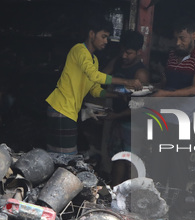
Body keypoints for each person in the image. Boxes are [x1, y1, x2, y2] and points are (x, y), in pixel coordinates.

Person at [45, 16, 143, 155]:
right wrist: (126, 82)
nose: (105, 41)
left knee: (61, 155)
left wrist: (117, 95)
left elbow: (95, 90)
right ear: (91, 34)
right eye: (103, 36)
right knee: (65, 157)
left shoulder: (94, 60)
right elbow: (94, 76)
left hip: (69, 111)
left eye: (107, 38)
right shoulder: (79, 50)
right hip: (61, 108)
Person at [150, 17, 195, 189]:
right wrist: (153, 89)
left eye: (182, 38)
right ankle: (158, 205)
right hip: (162, 118)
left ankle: (176, 210)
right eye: (175, 38)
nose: (177, 42)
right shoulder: (172, 54)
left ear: (194, 35)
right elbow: (166, 83)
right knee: (158, 163)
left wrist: (165, 94)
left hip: (183, 120)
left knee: (178, 166)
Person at [102, 30, 149, 186]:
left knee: (130, 162)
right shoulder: (117, 61)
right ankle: (115, 194)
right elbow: (100, 77)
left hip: (134, 123)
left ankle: (129, 198)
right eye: (122, 51)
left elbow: (140, 107)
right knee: (117, 158)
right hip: (118, 120)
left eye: (128, 53)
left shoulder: (140, 73)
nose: (124, 56)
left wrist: (115, 116)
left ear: (138, 52)